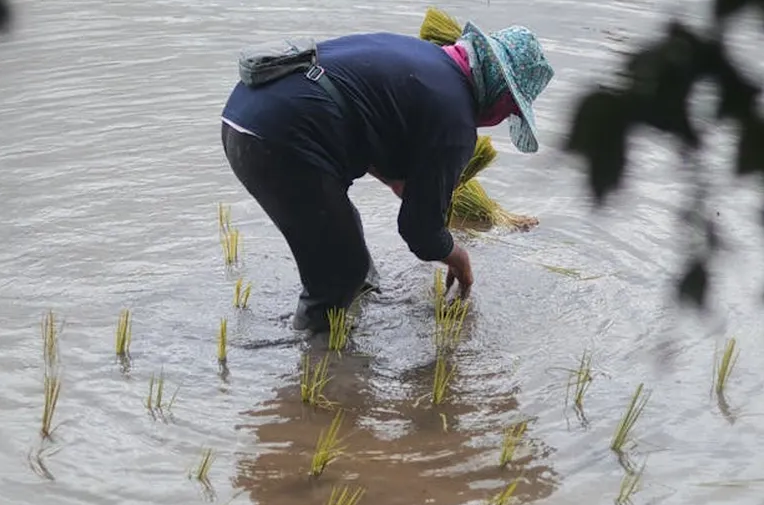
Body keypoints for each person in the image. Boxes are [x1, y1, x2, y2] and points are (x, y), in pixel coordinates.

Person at [220, 21, 554, 333]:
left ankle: (345, 320)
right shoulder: (456, 122)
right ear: (501, 95)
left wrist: (397, 181)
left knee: (348, 244)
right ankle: (321, 368)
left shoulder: (425, 59)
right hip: (279, 138)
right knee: (340, 275)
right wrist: (460, 258)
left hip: (245, 114)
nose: (499, 121)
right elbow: (419, 233)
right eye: (509, 112)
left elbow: (359, 112)